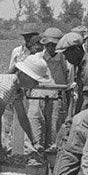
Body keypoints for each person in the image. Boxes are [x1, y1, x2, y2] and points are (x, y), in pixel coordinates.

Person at [2, 23, 41, 152]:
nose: (27, 40)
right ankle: (7, 148)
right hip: (15, 88)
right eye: (26, 37)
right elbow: (11, 71)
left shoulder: (38, 53)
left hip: (28, 91)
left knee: (25, 119)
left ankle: (27, 149)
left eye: (30, 37)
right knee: (8, 121)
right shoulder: (17, 52)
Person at [28, 26, 66, 154]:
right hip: (36, 98)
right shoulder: (36, 58)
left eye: (54, 45)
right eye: (48, 44)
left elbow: (69, 83)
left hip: (56, 99)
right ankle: (35, 160)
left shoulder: (65, 60)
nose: (51, 47)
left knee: (53, 136)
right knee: (35, 134)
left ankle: (51, 162)